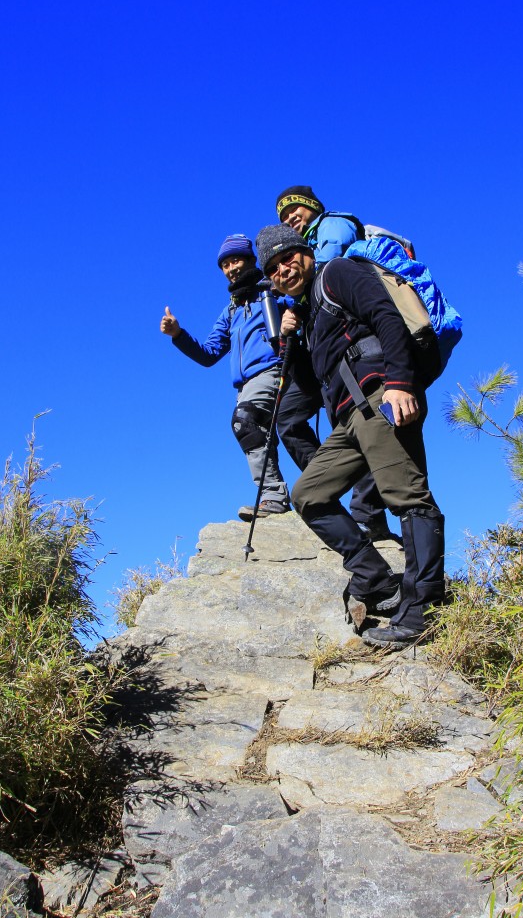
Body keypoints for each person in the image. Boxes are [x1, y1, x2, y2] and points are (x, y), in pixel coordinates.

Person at [255, 223, 445, 649]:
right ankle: (377, 580)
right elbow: (308, 382)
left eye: (288, 257)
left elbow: (386, 317)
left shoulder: (337, 273)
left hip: (380, 398)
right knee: (309, 494)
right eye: (274, 267)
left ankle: (422, 612)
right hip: (348, 420)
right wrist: (289, 339)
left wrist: (400, 382)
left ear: (305, 251)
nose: (284, 269)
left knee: (408, 498)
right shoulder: (308, 314)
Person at [273, 184, 394, 543]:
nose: (290, 217)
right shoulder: (300, 248)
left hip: (352, 340)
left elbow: (330, 270)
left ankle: (367, 512)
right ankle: (331, 482)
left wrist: (293, 301)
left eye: (295, 210)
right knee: (291, 417)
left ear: (312, 206)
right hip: (324, 346)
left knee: (363, 418)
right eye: (283, 216)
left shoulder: (333, 225)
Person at [160, 234, 290, 521]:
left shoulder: (273, 292)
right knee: (269, 434)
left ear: (251, 260)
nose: (231, 268)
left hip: (272, 371)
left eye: (236, 260)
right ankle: (287, 498)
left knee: (244, 421)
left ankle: (272, 495)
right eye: (225, 264)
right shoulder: (231, 310)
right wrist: (178, 335)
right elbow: (209, 354)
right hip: (245, 386)